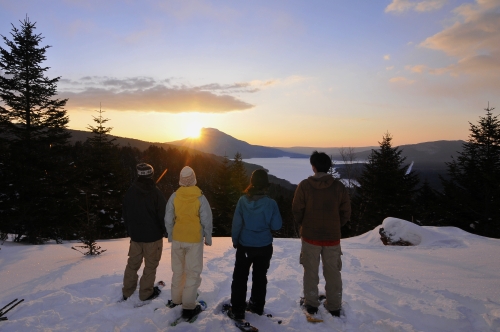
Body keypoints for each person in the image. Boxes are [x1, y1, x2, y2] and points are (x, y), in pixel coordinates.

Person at [292, 151, 351, 317]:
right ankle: (334, 305)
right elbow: (346, 212)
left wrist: (305, 224)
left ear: (314, 167)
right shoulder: (339, 187)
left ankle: (311, 304)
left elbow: (297, 210)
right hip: (332, 238)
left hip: (310, 237)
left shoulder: (304, 185)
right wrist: (335, 225)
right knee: (333, 272)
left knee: (310, 271)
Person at [229, 169, 282, 320]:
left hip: (245, 246)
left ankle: (238, 309)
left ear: (251, 183)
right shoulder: (271, 204)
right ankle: (257, 306)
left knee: (240, 277)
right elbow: (277, 225)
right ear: (266, 185)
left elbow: (237, 224)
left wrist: (235, 241)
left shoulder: (242, 201)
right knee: (260, 277)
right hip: (264, 247)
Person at [164, 166, 213, 320]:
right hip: (194, 240)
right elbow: (206, 219)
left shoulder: (174, 196)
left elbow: (168, 218)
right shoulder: (199, 197)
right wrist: (208, 237)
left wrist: (171, 235)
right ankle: (188, 307)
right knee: (192, 273)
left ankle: (177, 299)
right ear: (193, 179)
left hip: (178, 239)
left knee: (178, 271)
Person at [122, 163, 166, 302]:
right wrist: (165, 231)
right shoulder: (156, 193)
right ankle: (145, 293)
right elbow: (163, 215)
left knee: (132, 264)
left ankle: (127, 291)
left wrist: (130, 230)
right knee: (150, 266)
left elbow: (125, 214)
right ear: (151, 174)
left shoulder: (130, 192)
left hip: (136, 237)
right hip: (153, 238)